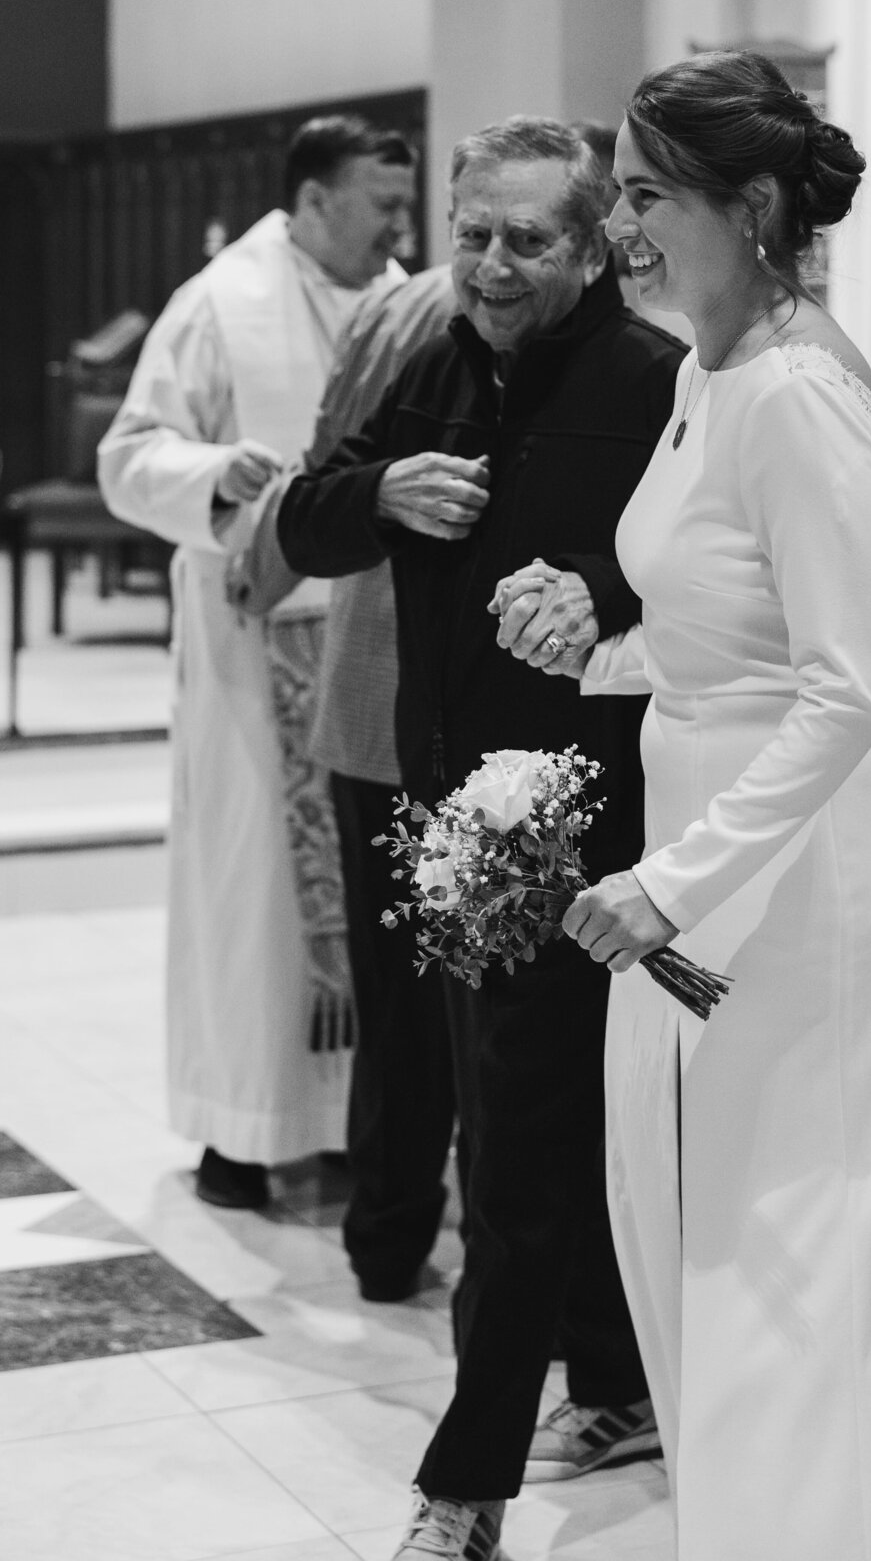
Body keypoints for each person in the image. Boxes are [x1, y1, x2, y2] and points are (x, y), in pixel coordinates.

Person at [499, 52, 871, 1559]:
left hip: (802, 882)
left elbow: (839, 691)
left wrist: (675, 881)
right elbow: (723, 643)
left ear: (748, 209)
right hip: (713, 857)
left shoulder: (802, 397)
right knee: (695, 1222)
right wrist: (604, 646)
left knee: (790, 1242)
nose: (620, 226)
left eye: (643, 195)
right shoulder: (706, 371)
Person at [276, 117, 686, 1561]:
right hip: (455, 813)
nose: (492, 266)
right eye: (473, 234)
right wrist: (380, 493)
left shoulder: (654, 382)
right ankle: (620, 1386)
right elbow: (305, 522)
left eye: (527, 240)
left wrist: (592, 584)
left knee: (514, 1157)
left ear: (593, 251)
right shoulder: (438, 360)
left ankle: (466, 1491)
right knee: (532, 1130)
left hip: (595, 829)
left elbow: (703, 582)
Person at [97, 116, 414, 1210]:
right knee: (254, 898)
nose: (399, 228)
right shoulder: (217, 303)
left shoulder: (402, 299)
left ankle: (343, 1128)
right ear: (317, 200)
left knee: (372, 896)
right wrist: (218, 474)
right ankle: (242, 1130)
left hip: (367, 642)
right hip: (252, 651)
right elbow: (129, 458)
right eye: (381, 205)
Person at [304, 263, 461, 1300]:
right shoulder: (436, 324)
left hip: (384, 692)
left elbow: (319, 464)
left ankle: (389, 1236)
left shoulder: (395, 303)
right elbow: (329, 480)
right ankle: (393, 1230)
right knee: (418, 1009)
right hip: (390, 691)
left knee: (407, 1004)